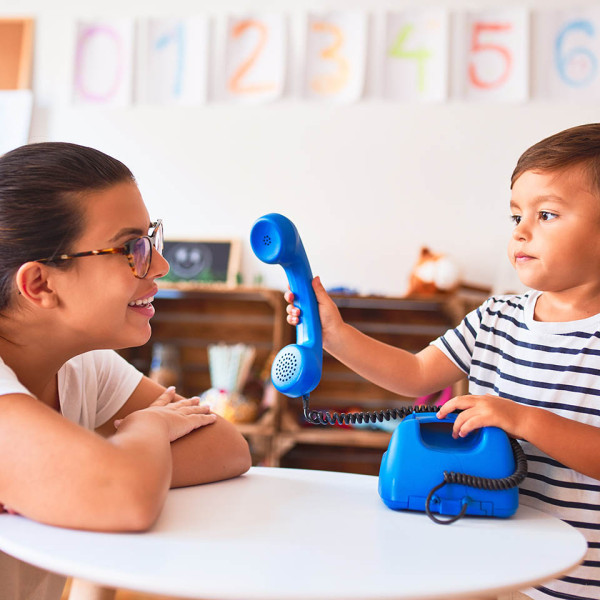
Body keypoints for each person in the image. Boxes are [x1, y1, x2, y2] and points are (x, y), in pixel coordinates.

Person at [286, 123, 600, 600]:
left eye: (549, 214)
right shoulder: (498, 316)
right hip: (502, 571)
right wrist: (337, 335)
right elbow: (414, 375)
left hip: (584, 581)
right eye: (515, 216)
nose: (522, 231)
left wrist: (522, 419)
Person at [0, 142, 252, 600]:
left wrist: (104, 469)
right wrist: (148, 427)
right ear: (40, 284)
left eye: (150, 238)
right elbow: (126, 496)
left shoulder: (81, 364)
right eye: (131, 247)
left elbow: (224, 446)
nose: (160, 264)